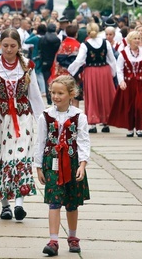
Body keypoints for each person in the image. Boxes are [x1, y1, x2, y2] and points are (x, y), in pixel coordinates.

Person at [0, 28, 45, 221]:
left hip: (22, 118)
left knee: (20, 157)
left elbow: (35, 95)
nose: (8, 49)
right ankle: (5, 204)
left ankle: (19, 203)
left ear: (19, 46)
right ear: (0, 44)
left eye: (13, 46)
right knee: (1, 159)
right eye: (5, 45)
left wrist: (45, 121)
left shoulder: (27, 65)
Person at [35, 75, 90, 255]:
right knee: (54, 201)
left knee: (72, 203)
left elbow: (83, 141)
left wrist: (82, 165)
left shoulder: (79, 116)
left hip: (72, 164)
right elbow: (40, 141)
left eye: (60, 93)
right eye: (53, 93)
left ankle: (73, 237)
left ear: (71, 94)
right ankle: (53, 241)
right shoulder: (46, 116)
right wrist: (38, 166)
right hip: (52, 163)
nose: (56, 97)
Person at [68, 22, 117, 133]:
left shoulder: (85, 45)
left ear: (88, 32)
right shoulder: (106, 43)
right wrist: (113, 73)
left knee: (92, 95)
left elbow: (79, 60)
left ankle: (93, 124)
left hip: (91, 71)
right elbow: (112, 59)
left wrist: (71, 70)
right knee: (105, 96)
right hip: (105, 71)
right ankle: (105, 123)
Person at [107, 30, 142, 137]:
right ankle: (130, 128)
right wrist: (121, 81)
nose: (137, 41)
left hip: (141, 83)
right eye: (135, 39)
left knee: (139, 105)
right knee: (129, 106)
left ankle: (139, 128)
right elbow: (119, 68)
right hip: (128, 83)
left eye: (138, 39)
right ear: (129, 40)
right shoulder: (123, 53)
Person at [39, 23, 61, 105]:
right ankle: (56, 96)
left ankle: (49, 98)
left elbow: (40, 49)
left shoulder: (43, 39)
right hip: (54, 61)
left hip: (45, 61)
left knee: (46, 80)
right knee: (55, 80)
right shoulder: (57, 40)